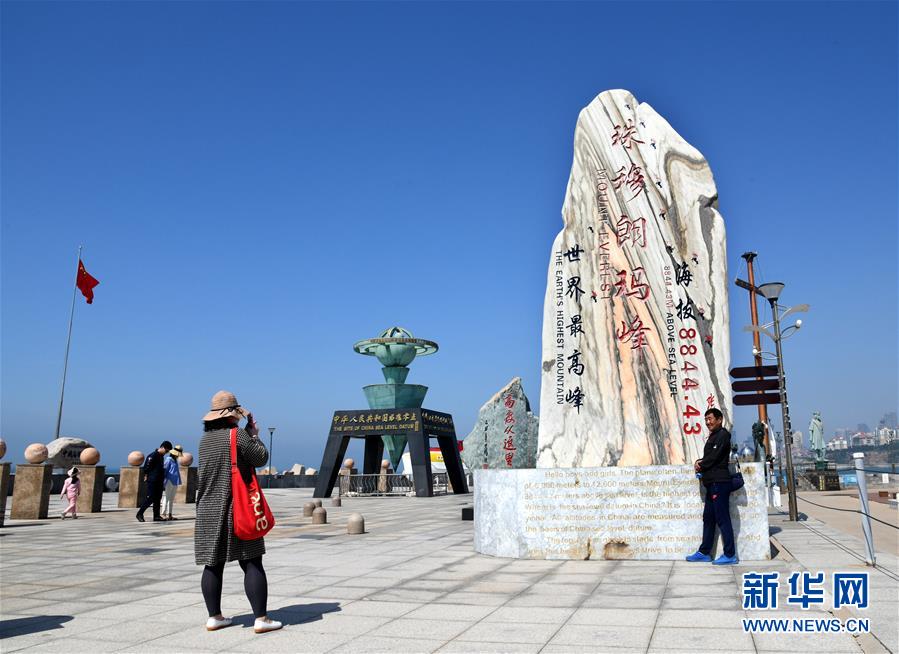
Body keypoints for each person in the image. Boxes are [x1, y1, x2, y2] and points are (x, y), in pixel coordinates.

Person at [195, 390, 281, 634]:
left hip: (207, 509)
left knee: (212, 564)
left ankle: (214, 617)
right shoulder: (238, 435)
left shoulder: (204, 440)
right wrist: (254, 435)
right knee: (251, 561)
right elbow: (261, 458)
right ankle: (261, 618)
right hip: (237, 508)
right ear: (233, 415)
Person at [686, 408, 738, 565]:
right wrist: (700, 461)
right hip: (711, 484)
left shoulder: (723, 435)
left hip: (719, 483)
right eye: (706, 420)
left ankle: (730, 554)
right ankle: (704, 552)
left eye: (710, 419)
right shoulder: (713, 436)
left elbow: (714, 457)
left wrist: (701, 464)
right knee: (708, 518)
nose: (708, 422)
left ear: (719, 419)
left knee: (722, 519)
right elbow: (709, 457)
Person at [136, 440, 172, 522]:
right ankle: (140, 513)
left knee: (158, 498)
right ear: (162, 447)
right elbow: (146, 467)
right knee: (151, 498)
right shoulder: (153, 455)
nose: (166, 453)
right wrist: (146, 475)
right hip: (152, 480)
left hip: (159, 480)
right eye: (166, 451)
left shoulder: (161, 456)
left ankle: (156, 516)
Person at [161, 444, 183, 520]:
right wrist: (163, 481)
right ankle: (163, 513)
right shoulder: (168, 460)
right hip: (169, 481)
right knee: (166, 497)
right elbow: (165, 470)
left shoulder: (175, 461)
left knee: (171, 498)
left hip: (175, 481)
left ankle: (169, 514)